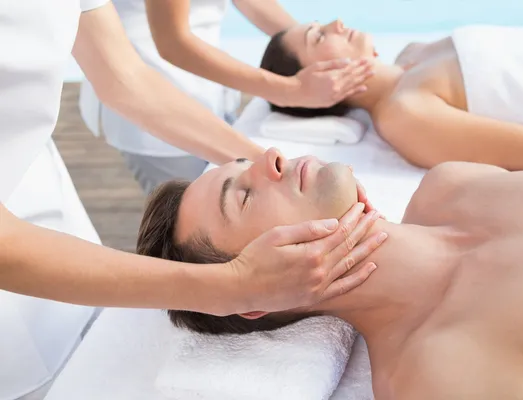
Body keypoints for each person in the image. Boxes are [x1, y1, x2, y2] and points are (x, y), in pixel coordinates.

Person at [0, 2, 381, 399]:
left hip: (41, 196)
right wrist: (230, 286)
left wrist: (273, 162)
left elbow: (124, 76)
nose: (273, 161)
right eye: (245, 196)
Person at [137, 150, 523, 399]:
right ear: (259, 290)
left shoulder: (455, 184)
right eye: (242, 196)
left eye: (244, 162)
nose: (270, 157)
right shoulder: (439, 373)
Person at [80, 0, 375, 194]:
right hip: (155, 100)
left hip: (207, 89)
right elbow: (173, 42)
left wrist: (310, 51)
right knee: (198, 233)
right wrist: (292, 89)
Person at [259, 20, 523, 174]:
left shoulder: (414, 52)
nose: (336, 23)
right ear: (316, 82)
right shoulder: (404, 116)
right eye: (317, 37)